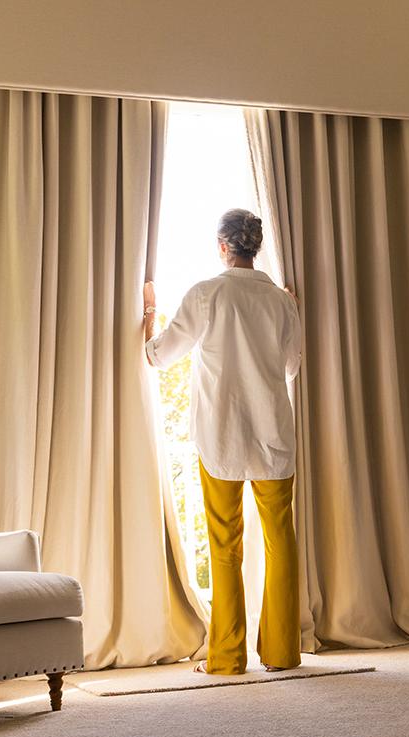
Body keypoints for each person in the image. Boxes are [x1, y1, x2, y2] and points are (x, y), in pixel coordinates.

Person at [143, 208, 302, 675]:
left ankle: (228, 657)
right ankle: (282, 653)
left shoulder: (207, 294)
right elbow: (291, 367)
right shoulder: (281, 301)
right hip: (273, 433)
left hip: (222, 437)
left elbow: (160, 356)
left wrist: (150, 316)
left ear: (222, 246)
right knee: (280, 542)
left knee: (224, 544)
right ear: (255, 248)